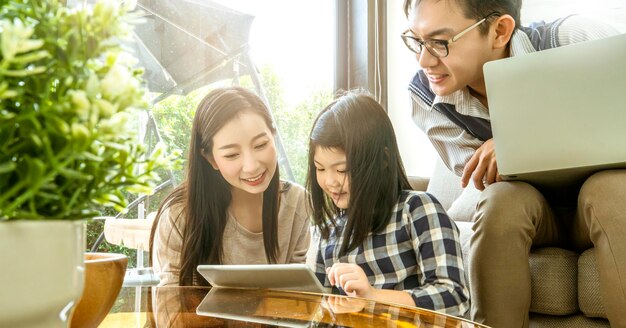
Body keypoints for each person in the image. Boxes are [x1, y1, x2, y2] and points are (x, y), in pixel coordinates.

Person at [402, 0, 626, 327]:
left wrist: (518, 138)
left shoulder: (576, 39)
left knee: (611, 190)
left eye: (439, 43)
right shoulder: (427, 99)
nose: (424, 60)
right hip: (529, 208)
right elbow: (483, 177)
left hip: (600, 197)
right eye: (417, 41)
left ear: (500, 31)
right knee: (500, 201)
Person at [306, 91, 469, 316]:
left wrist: (373, 297)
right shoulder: (328, 231)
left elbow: (454, 298)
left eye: (342, 169)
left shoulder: (417, 210)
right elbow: (318, 313)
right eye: (320, 168)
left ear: (382, 160)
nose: (329, 181)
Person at [150, 86, 310, 286]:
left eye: (260, 145)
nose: (251, 167)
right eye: (232, 155)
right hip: (198, 318)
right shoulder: (179, 214)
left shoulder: (298, 203)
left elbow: (300, 294)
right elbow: (172, 301)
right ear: (211, 159)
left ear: (274, 137)